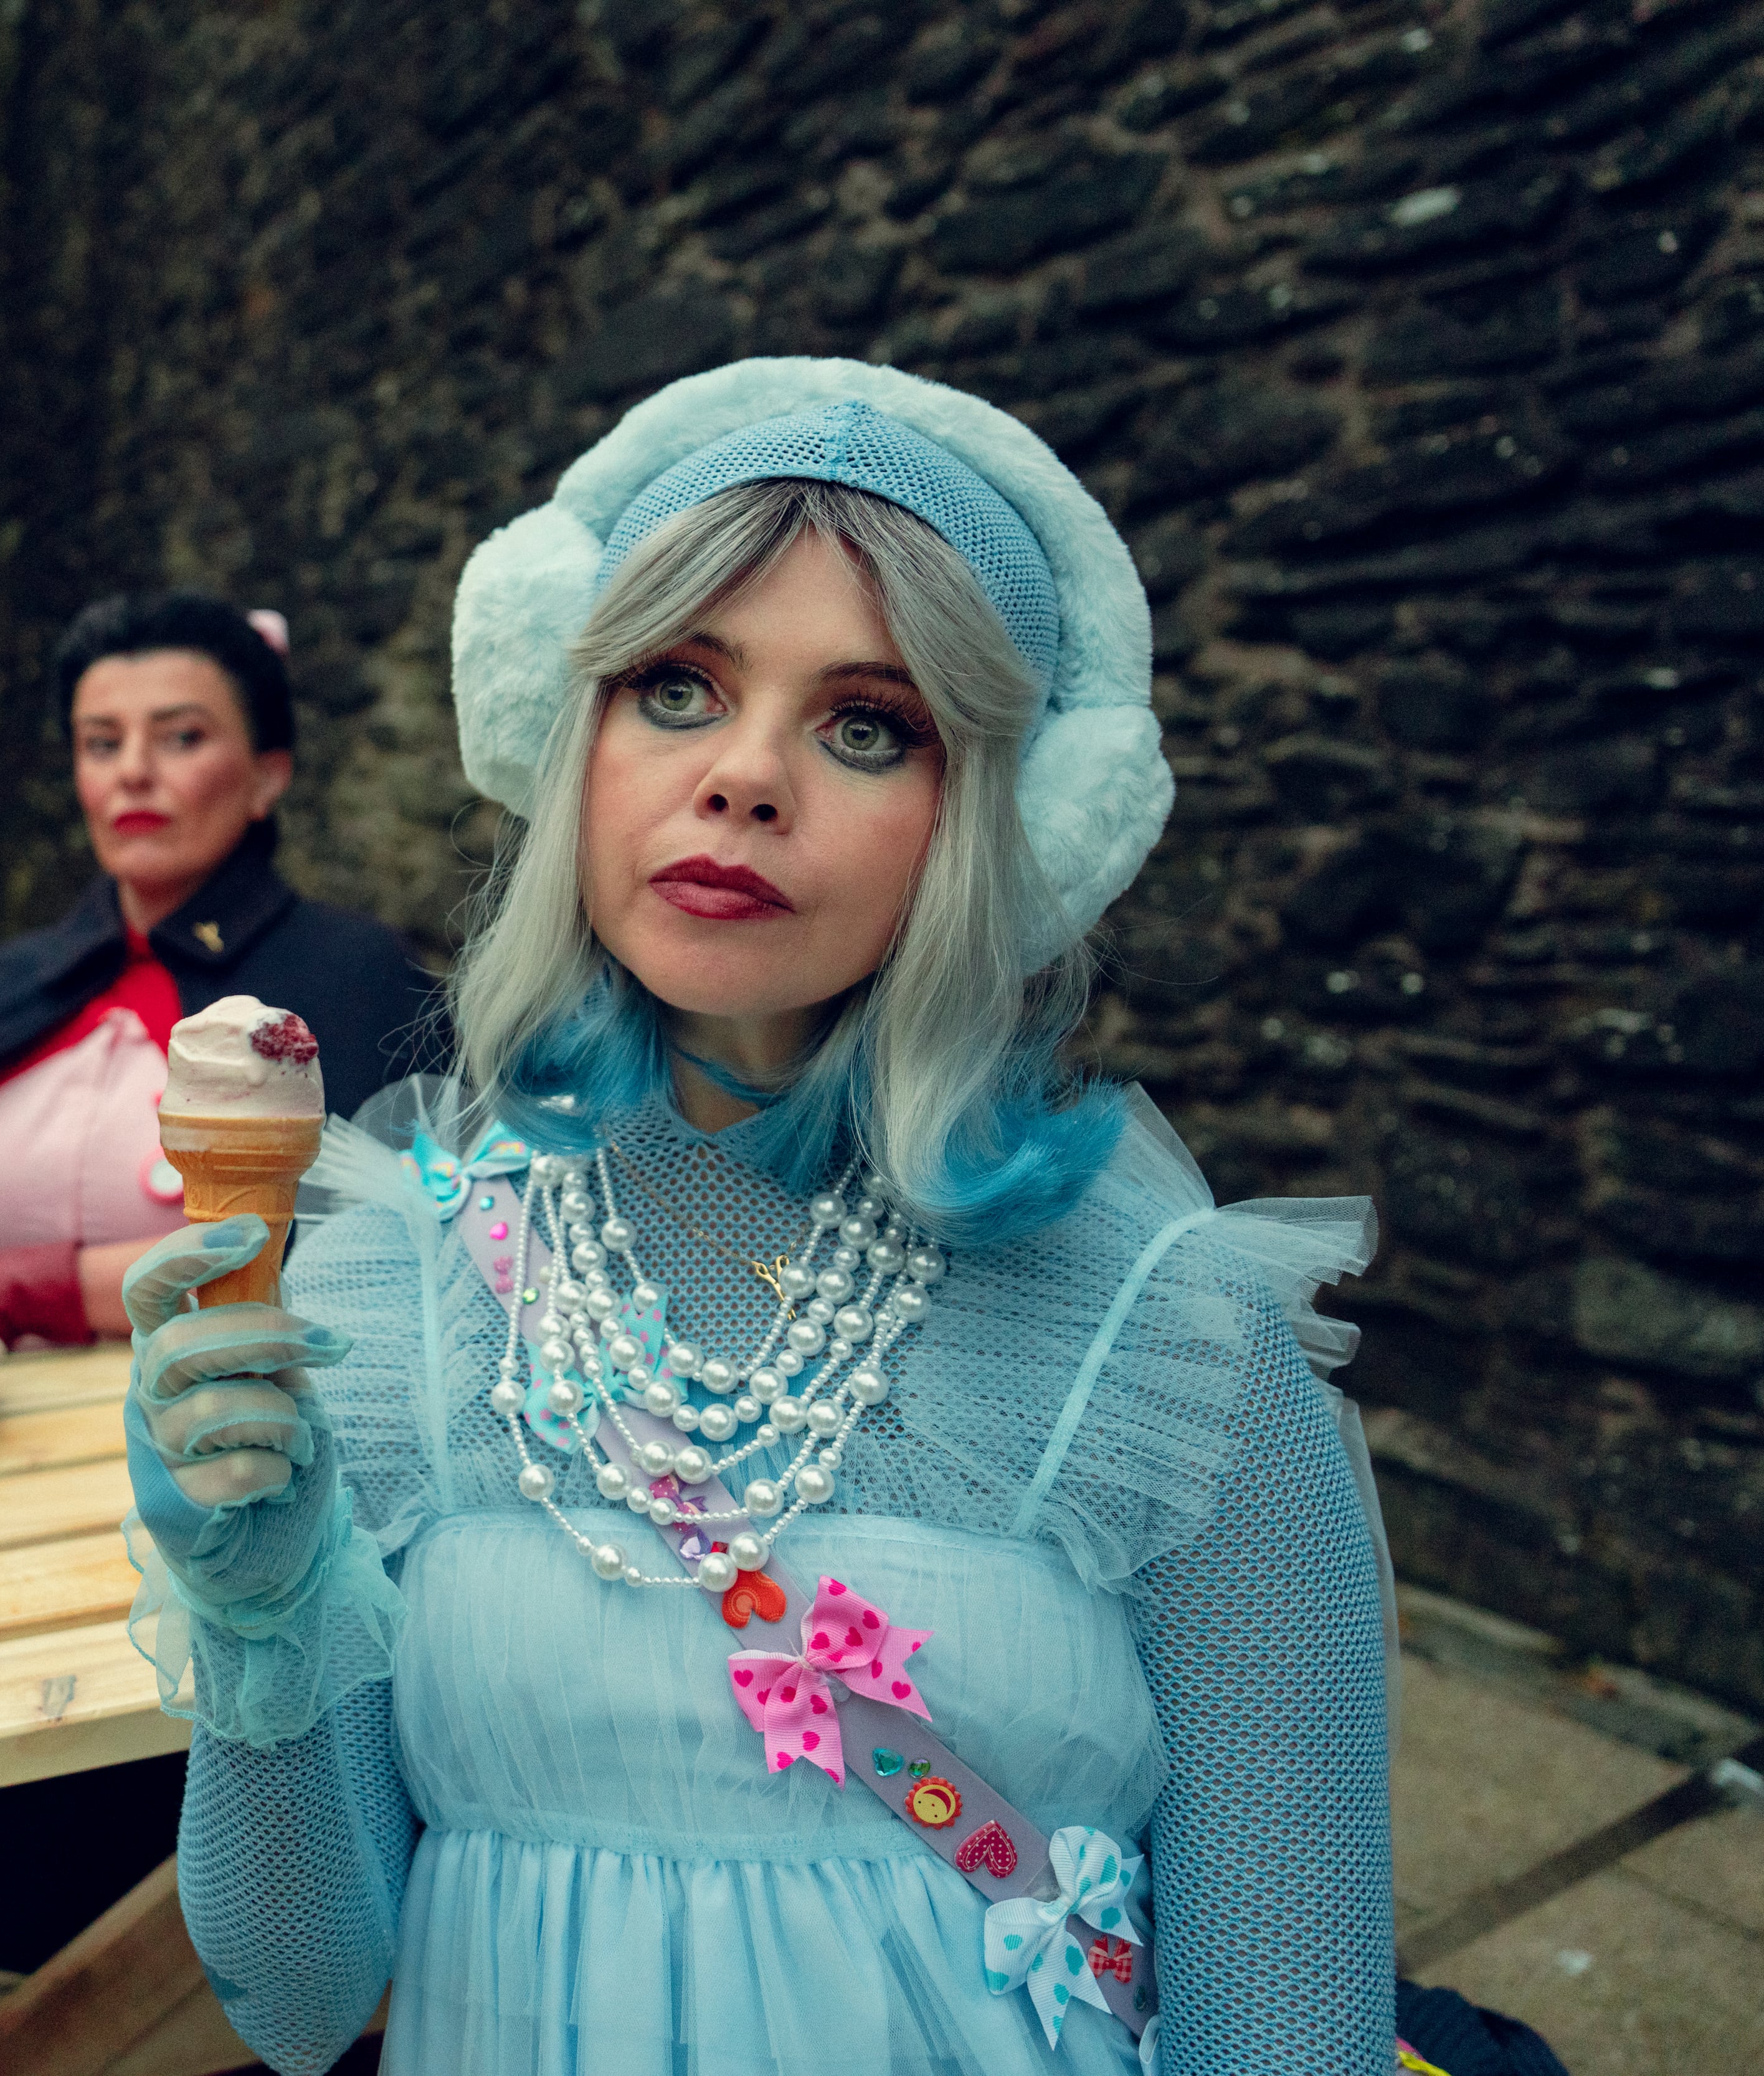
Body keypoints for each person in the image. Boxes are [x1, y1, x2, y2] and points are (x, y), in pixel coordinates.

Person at [121, 363, 1401, 2075]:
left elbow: (1293, 2037)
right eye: (675, 684)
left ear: (1002, 814)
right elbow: (295, 1999)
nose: (743, 774)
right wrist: (258, 1614)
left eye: (866, 723)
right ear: (568, 736)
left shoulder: (1174, 1338)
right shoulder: (386, 1283)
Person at [0, 593, 443, 2025]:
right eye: (99, 740)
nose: (130, 771)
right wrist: (60, 1290)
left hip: (219, 1486)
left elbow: (413, 1269)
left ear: (266, 774)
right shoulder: (18, 985)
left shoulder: (350, 983)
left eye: (179, 736)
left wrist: (6, 1292)